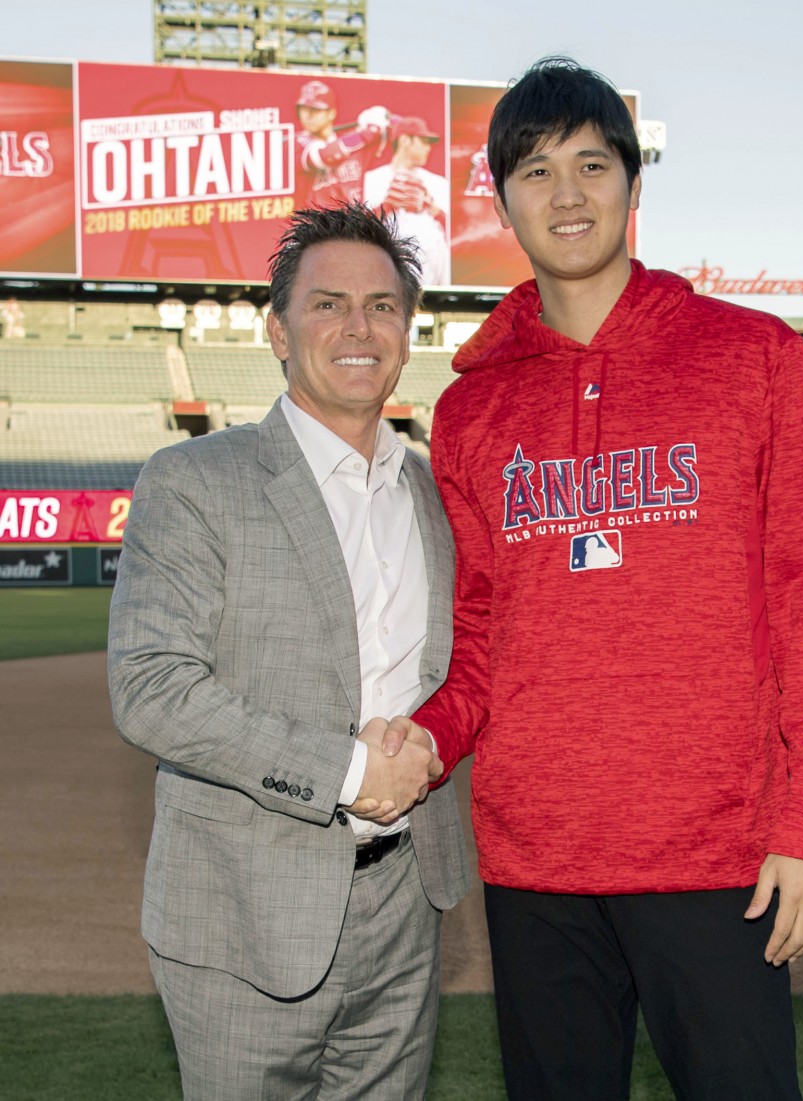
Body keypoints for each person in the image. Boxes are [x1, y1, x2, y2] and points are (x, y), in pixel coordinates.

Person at [386, 58, 803, 1100]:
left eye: (591, 164)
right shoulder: (471, 412)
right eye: (535, 171)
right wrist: (427, 738)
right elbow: (480, 633)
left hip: (720, 860)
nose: (567, 194)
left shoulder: (754, 358)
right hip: (535, 864)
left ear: (634, 183)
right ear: (504, 201)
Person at [108, 203, 469, 1101]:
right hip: (242, 909)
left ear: (408, 330)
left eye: (383, 306)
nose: (359, 327)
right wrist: (349, 772)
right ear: (277, 329)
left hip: (405, 899)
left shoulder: (434, 492)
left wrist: (425, 747)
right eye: (328, 304)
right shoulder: (195, 479)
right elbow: (151, 687)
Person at [364, 116, 451, 286]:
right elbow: (362, 228)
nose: (428, 148)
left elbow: (456, 232)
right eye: (423, 141)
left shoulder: (438, 182)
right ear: (404, 140)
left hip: (431, 256)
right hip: (388, 258)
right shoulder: (373, 178)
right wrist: (388, 205)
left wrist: (429, 205)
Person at [294, 78, 392, 208]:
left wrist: (385, 118)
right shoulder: (298, 143)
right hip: (317, 225)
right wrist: (368, 131)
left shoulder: (353, 144)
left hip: (351, 223)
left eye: (315, 109)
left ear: (331, 113)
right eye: (304, 109)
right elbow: (330, 155)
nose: (308, 115)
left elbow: (402, 130)